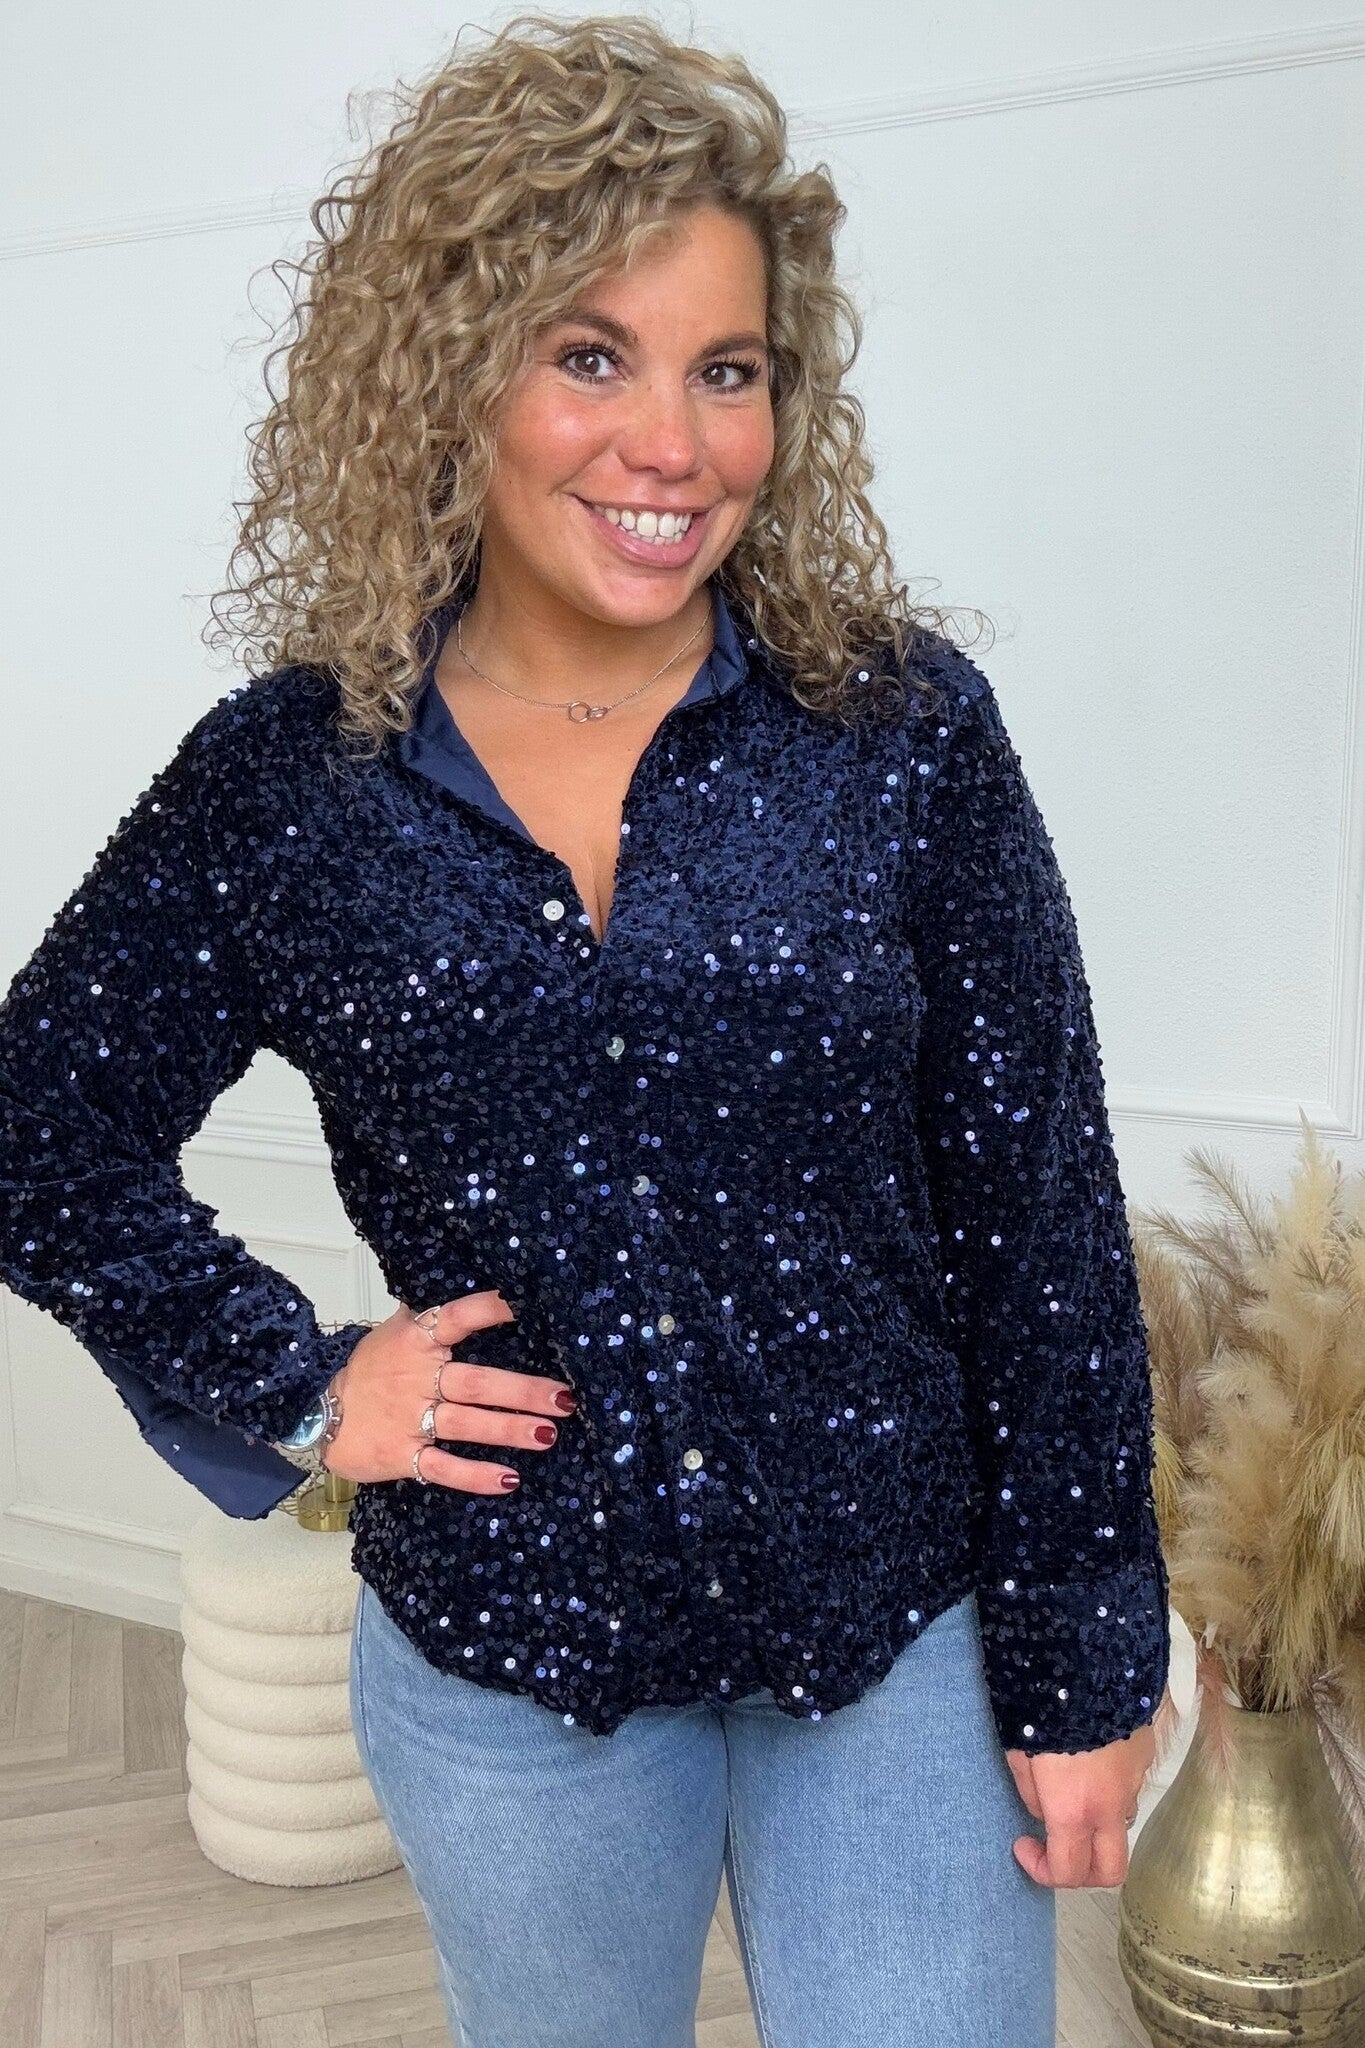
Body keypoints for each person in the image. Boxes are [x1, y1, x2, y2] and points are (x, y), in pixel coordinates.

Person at [0, 13, 1170, 2046]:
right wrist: (300, 1384)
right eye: (591, 356)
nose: (674, 445)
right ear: (449, 372)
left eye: (728, 370)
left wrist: (1085, 1654)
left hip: (896, 1628)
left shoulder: (895, 731)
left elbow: (1040, 1210)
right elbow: (39, 1122)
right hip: (510, 1664)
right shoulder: (293, 784)